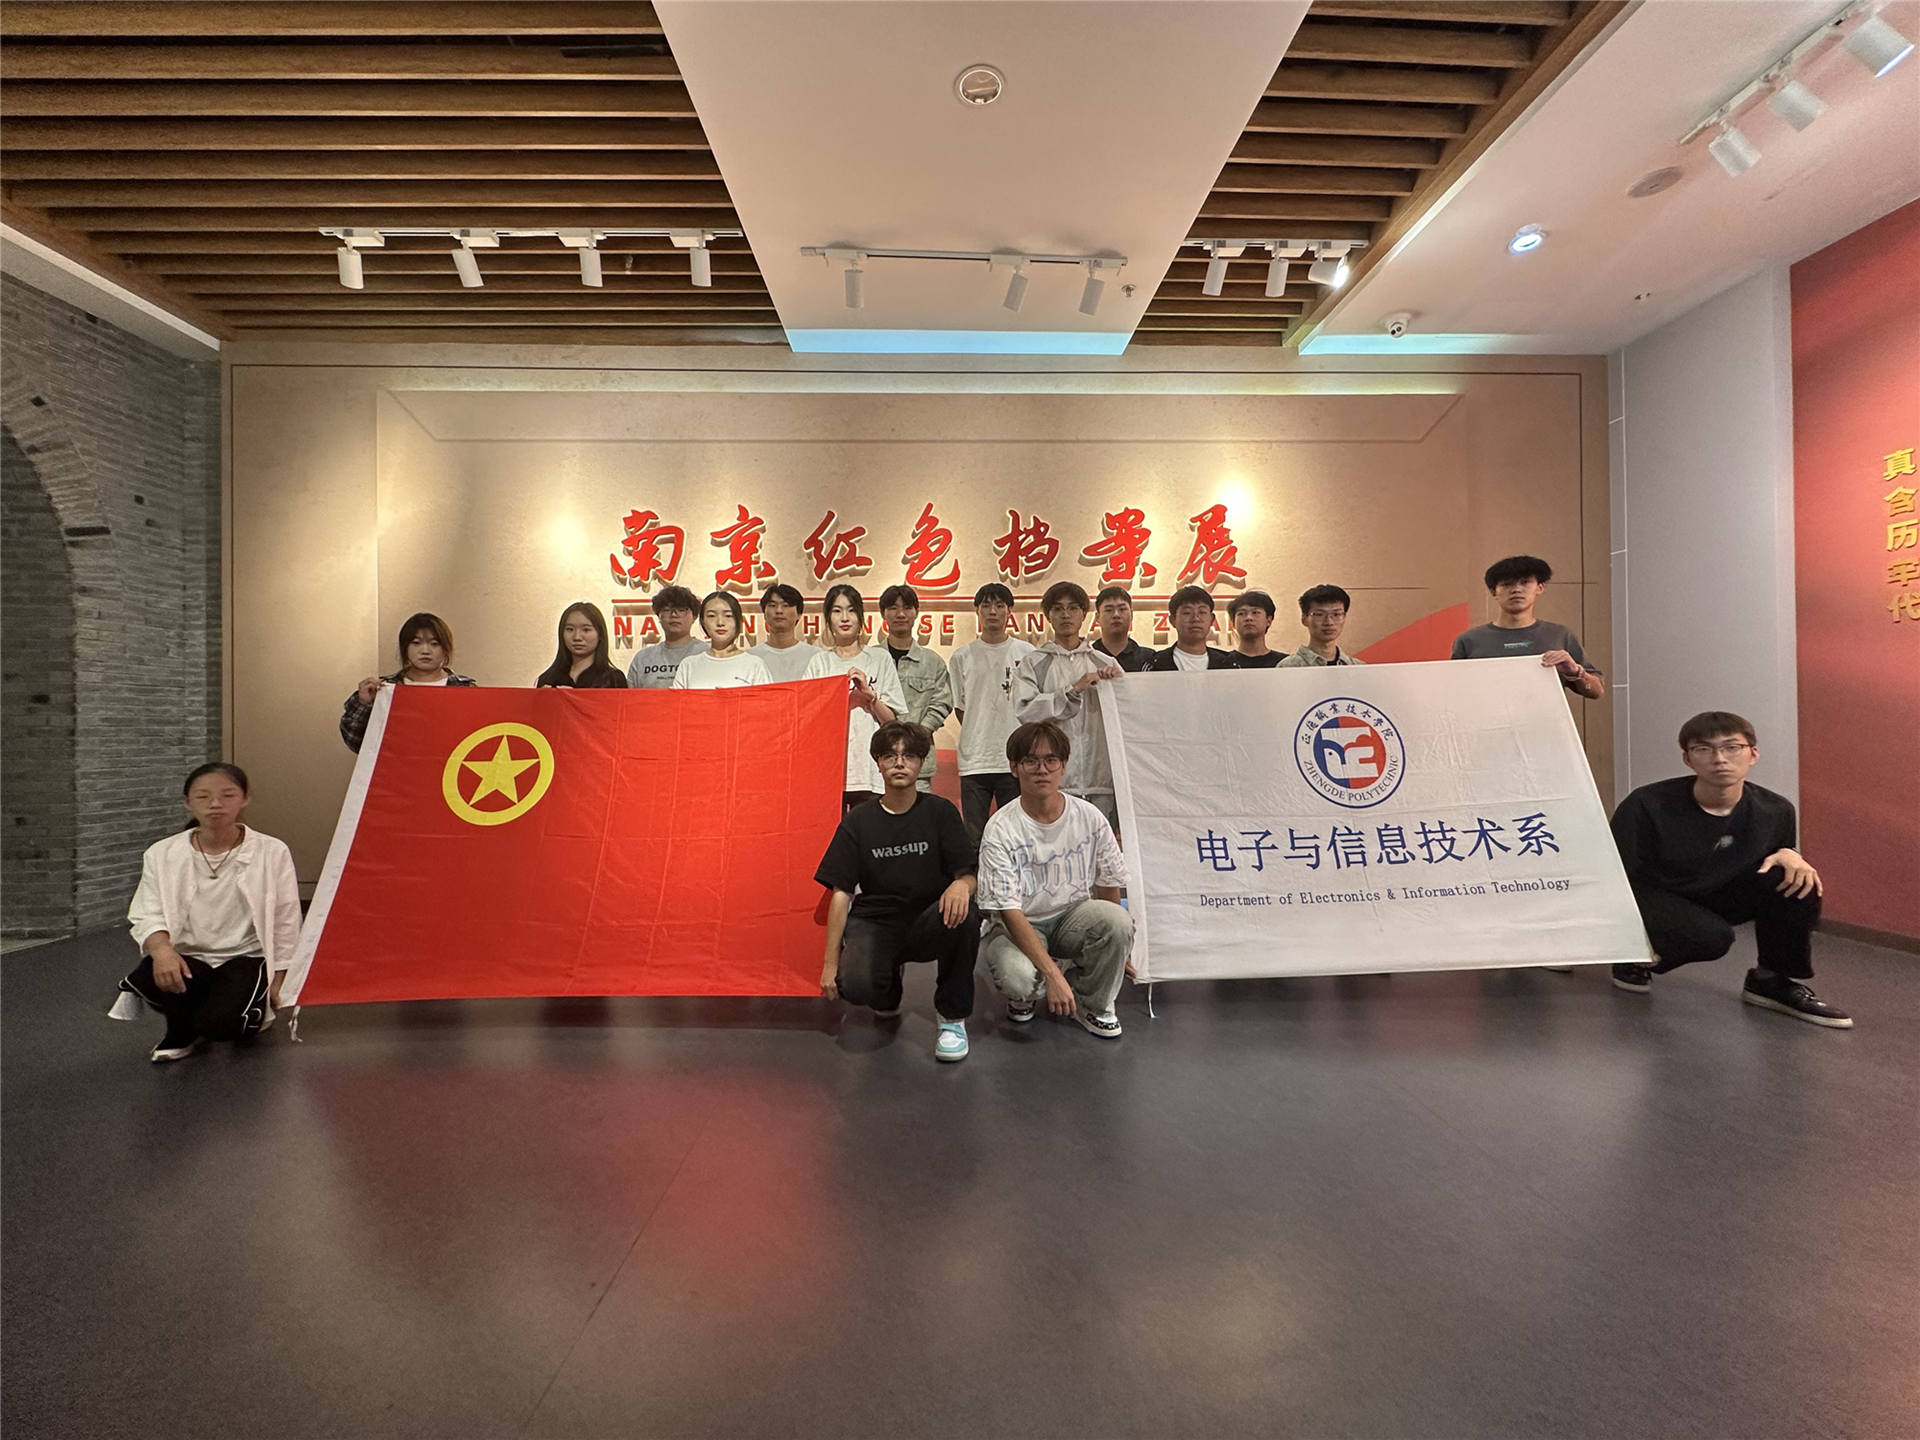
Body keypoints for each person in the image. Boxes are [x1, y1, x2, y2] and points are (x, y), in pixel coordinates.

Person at [1608, 712, 1848, 1026]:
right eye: (1703, 749)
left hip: (1715, 891)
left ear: (1753, 754)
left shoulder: (1775, 809)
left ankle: (1771, 980)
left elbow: (1777, 856)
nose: (1719, 759)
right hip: (1655, 896)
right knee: (1711, 938)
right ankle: (1634, 953)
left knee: (1797, 881)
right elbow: (1614, 874)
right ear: (1688, 759)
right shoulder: (1647, 804)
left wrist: (1791, 854)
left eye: (1732, 747)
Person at [110, 763, 303, 1063]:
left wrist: (281, 979)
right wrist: (162, 952)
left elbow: (286, 918)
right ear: (188, 803)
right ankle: (181, 1030)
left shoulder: (272, 851)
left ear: (245, 799)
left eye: (227, 795)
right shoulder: (163, 853)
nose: (215, 804)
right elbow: (148, 911)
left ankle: (214, 1015)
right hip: (189, 957)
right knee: (151, 975)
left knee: (221, 1025)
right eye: (203, 797)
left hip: (246, 957)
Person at [815, 722, 980, 1062]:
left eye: (909, 756)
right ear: (878, 763)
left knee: (965, 916)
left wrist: (962, 885)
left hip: (929, 920)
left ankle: (952, 1018)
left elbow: (968, 872)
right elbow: (841, 893)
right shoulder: (858, 821)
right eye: (890, 756)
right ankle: (886, 986)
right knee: (857, 988)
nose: (899, 763)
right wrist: (830, 963)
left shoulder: (940, 812)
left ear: (921, 763)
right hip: (876, 922)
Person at [978, 720, 1132, 1038]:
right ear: (1014, 767)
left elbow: (1108, 882)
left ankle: (1093, 1004)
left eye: (1051, 760)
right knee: (1019, 979)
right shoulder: (1000, 828)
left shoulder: (1089, 817)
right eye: (1031, 761)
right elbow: (1009, 910)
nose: (1042, 770)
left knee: (1118, 922)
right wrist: (1051, 975)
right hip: (1021, 923)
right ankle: (1034, 988)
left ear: (1063, 765)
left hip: (1072, 917)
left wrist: (1119, 946)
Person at [1012, 581, 1122, 827]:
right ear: (1048, 615)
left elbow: (1127, 717)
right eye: (1058, 609)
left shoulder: (1105, 662)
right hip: (1054, 781)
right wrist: (1073, 690)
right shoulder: (1034, 662)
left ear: (1084, 614)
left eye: (1073, 608)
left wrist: (1117, 684)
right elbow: (1025, 711)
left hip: (1101, 779)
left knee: (1099, 846)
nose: (1065, 615)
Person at [804, 583, 906, 810]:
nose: (844, 618)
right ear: (828, 619)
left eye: (851, 610)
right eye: (837, 611)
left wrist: (871, 696)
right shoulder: (819, 662)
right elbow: (807, 718)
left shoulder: (879, 658)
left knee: (868, 831)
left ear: (861, 618)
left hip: (870, 771)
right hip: (830, 772)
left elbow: (892, 722)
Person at [950, 582, 1035, 843]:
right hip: (975, 760)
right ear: (977, 610)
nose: (993, 611)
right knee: (974, 837)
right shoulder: (962, 656)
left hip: (1014, 758)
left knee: (1015, 834)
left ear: (1010, 611)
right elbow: (960, 708)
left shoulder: (1027, 653)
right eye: (986, 605)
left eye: (999, 605)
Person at [1450, 556, 1603, 698]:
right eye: (1506, 584)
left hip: (1544, 719)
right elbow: (1453, 692)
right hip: (1487, 718)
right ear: (1493, 592)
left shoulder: (1560, 635)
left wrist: (1575, 671)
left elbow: (1597, 691)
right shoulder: (1469, 640)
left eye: (1525, 582)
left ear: (1540, 588)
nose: (1516, 589)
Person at [340, 611, 476, 752]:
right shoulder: (384, 688)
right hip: (396, 765)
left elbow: (477, 739)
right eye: (416, 643)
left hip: (449, 765)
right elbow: (355, 741)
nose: (425, 650)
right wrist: (363, 703)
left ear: (446, 648)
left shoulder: (465, 688)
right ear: (405, 647)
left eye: (434, 644)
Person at [878, 584, 954, 794]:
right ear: (883, 613)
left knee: (918, 813)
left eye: (907, 608)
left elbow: (942, 703)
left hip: (917, 764)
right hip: (875, 764)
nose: (900, 614)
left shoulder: (932, 662)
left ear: (916, 612)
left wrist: (917, 737)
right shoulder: (871, 659)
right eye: (893, 608)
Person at [672, 590, 774, 689]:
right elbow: (679, 700)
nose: (720, 622)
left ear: (738, 621)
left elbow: (766, 700)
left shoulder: (754, 665)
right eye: (711, 616)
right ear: (703, 621)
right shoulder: (688, 665)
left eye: (728, 616)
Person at [625, 585, 708, 689]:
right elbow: (630, 697)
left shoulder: (707, 653)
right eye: (667, 610)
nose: (674, 615)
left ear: (694, 617)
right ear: (658, 616)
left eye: (681, 610)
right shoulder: (642, 658)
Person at [535, 601, 629, 688]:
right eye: (570, 629)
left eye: (586, 630)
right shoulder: (548, 679)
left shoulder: (613, 679)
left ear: (600, 634)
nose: (577, 637)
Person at [1144, 586, 1236, 671]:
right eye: (1187, 613)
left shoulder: (1228, 664)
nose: (1195, 619)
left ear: (1212, 619)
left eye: (1202, 612)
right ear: (1172, 620)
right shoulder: (1155, 664)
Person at [1278, 584, 1367, 668]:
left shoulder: (1358, 667)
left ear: (1344, 617)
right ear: (1304, 619)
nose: (1329, 622)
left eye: (1336, 614)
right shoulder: (1288, 667)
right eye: (1320, 614)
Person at [750, 583, 815, 682]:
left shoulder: (815, 657)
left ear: (799, 614)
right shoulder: (750, 657)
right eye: (772, 605)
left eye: (786, 605)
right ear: (764, 613)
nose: (779, 611)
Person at [1090, 586, 1153, 672]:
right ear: (1097, 617)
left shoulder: (1148, 658)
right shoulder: (1088, 657)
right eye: (1109, 610)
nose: (1116, 615)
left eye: (1122, 609)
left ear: (1131, 614)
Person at [1226, 590, 1283, 668]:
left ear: (1269, 620)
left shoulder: (1283, 664)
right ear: (1233, 623)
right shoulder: (1223, 663)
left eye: (1255, 612)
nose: (1248, 618)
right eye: (1241, 613)